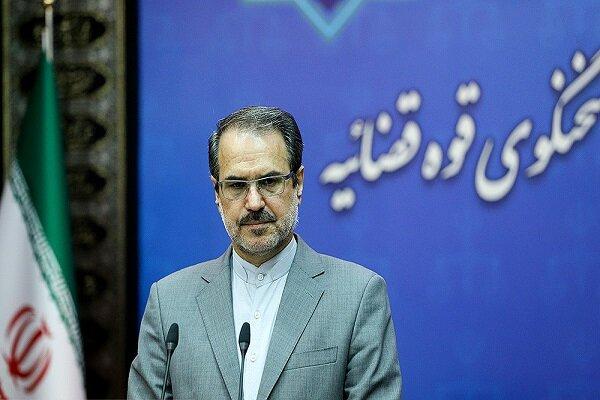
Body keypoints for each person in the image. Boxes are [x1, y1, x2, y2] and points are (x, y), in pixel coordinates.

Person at [128, 106, 402, 399]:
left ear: (298, 183)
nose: (254, 202)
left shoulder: (356, 297)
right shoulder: (169, 303)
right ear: (217, 193)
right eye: (236, 185)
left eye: (269, 182)